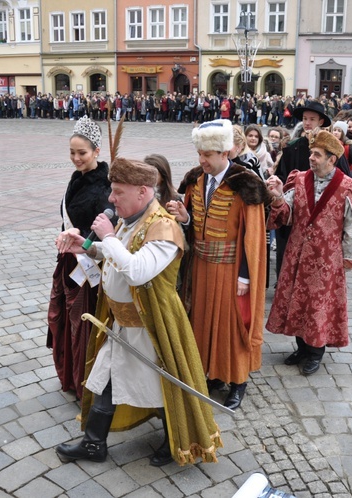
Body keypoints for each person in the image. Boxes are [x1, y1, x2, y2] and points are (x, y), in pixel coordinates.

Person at [54, 158, 222, 467]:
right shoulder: (129, 220)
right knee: (105, 376)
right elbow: (116, 254)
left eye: (118, 192)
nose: (111, 198)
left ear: (143, 192)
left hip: (153, 326)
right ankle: (94, 444)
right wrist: (87, 247)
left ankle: (177, 440)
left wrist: (107, 237)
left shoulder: (164, 227)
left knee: (161, 386)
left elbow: (137, 271)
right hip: (122, 322)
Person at [167, 119, 270, 410]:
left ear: (225, 153)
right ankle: (213, 373)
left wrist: (246, 277)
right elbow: (191, 224)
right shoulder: (194, 179)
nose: (202, 160)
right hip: (199, 267)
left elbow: (254, 237)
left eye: (208, 155)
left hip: (231, 269)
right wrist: (184, 217)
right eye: (199, 154)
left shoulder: (246, 184)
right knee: (202, 322)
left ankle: (238, 381)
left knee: (232, 325)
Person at [265, 129, 352, 375]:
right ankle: (301, 347)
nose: (311, 158)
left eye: (317, 154)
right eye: (311, 153)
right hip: (298, 254)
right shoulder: (300, 179)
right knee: (297, 302)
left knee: (319, 306)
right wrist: (278, 196)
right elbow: (287, 214)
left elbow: (350, 227)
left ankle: (315, 352)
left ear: (332, 159)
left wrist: (345, 259)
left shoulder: (347, 186)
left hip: (326, 258)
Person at [47, 117, 114, 398]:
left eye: (82, 153)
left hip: (90, 265)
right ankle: (71, 375)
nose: (76, 158)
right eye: (72, 153)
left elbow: (106, 230)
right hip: (70, 262)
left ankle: (85, 380)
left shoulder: (105, 186)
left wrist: (80, 235)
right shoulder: (77, 178)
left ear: (97, 151)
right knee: (67, 320)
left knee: (83, 322)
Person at [274, 101, 331, 277]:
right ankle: (284, 278)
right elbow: (282, 177)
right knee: (288, 246)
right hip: (296, 206)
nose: (307, 123)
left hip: (320, 208)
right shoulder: (292, 147)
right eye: (305, 119)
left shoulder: (330, 147)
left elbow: (341, 177)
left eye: (312, 119)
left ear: (320, 122)